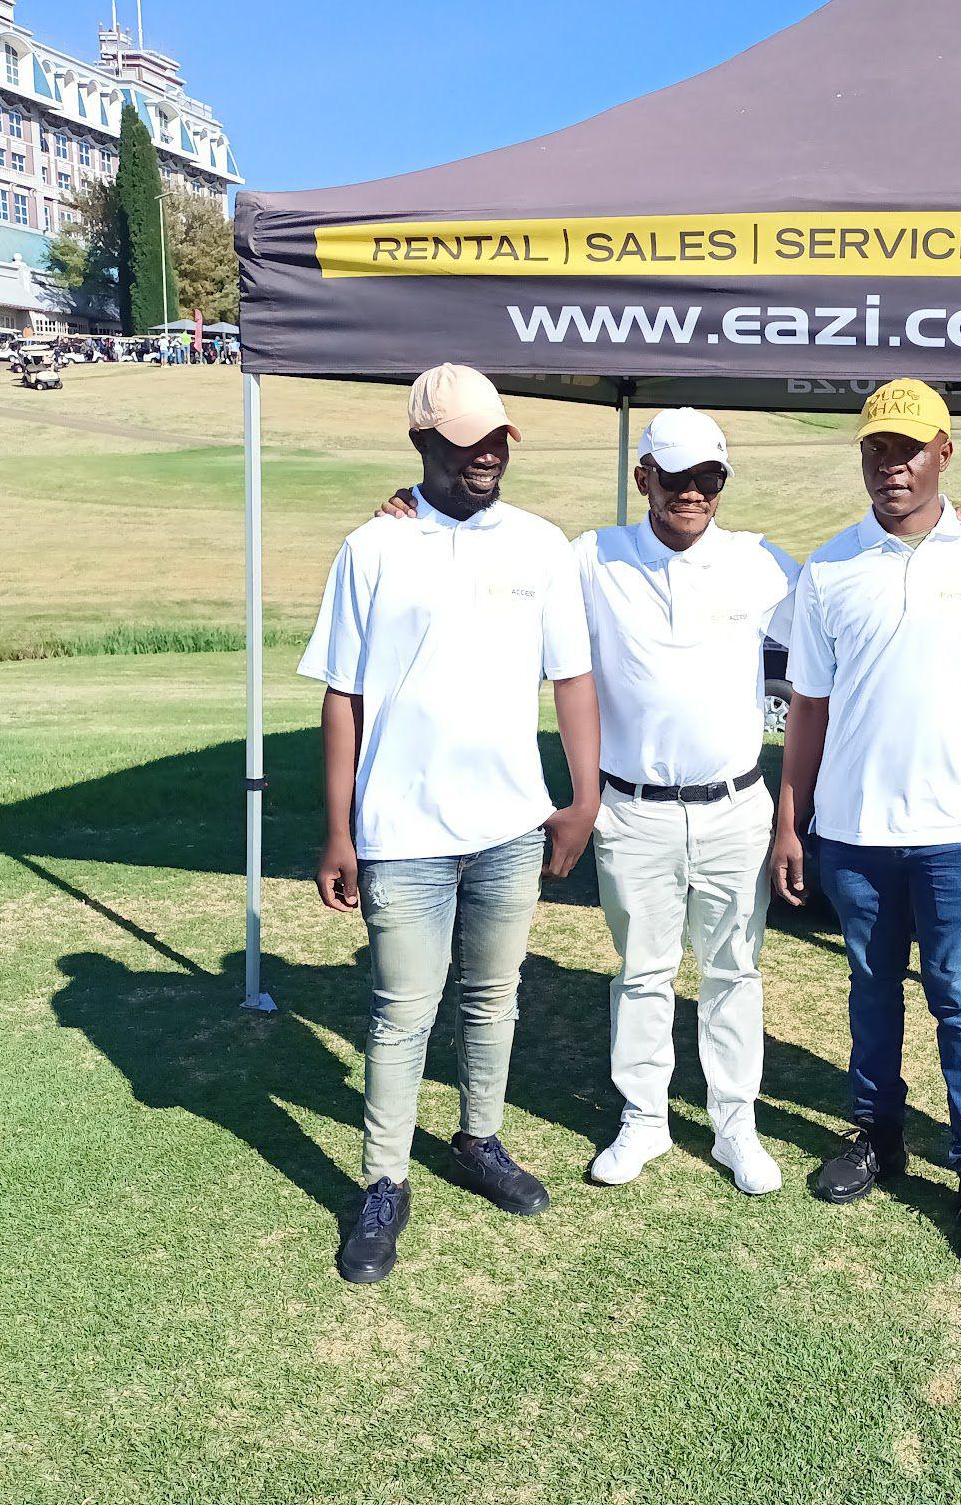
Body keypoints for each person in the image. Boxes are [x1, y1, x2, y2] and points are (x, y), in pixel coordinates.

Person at [375, 408, 796, 1197]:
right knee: (642, 970)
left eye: (710, 478)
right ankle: (643, 1121)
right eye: (676, 478)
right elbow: (486, 556)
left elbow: (840, 607)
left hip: (736, 805)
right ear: (644, 479)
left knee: (735, 971)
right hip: (633, 810)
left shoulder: (762, 563)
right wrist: (411, 508)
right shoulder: (590, 558)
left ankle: (735, 1123)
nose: (693, 494)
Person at [303, 363, 601, 1286]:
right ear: (422, 444)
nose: (486, 456)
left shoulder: (543, 546)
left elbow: (573, 679)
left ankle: (479, 1140)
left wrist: (580, 797)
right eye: (466, 441)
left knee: (494, 996)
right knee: (401, 1013)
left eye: (497, 439)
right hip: (401, 830)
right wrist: (340, 830)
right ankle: (383, 1183)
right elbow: (342, 697)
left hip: (511, 821)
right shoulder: (372, 549)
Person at [771, 378, 961, 1268]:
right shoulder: (829, 567)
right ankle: (876, 1133)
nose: (894, 465)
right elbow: (806, 706)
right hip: (852, 830)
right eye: (878, 449)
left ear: (944, 453)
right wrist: (790, 820)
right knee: (869, 989)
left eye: (910, 448)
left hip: (959, 831)